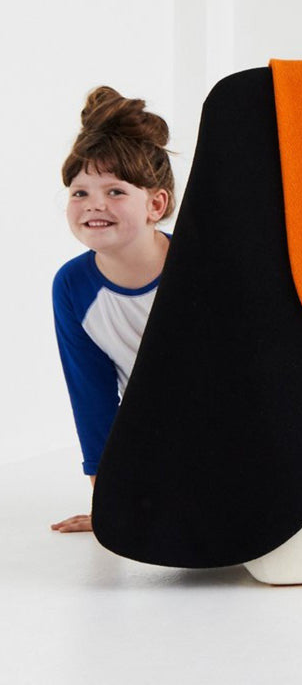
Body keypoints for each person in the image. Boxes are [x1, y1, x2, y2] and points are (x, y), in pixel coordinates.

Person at [50, 85, 177, 533]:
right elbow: (93, 400)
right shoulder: (73, 286)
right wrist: (109, 502)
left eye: (115, 191)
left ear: (155, 204)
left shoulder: (198, 266)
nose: (94, 205)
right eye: (79, 193)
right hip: (157, 445)